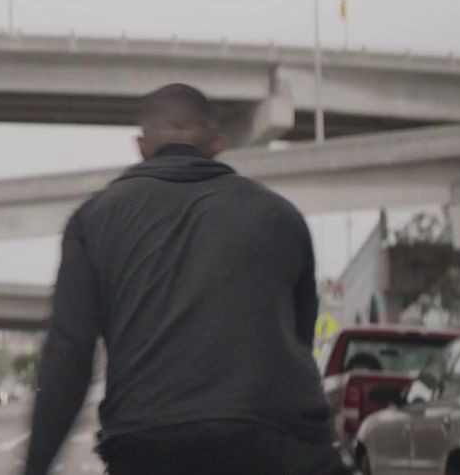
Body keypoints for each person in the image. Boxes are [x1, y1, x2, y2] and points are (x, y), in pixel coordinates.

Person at [23, 84, 351, 475]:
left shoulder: (92, 221)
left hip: (147, 444)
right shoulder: (280, 216)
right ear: (216, 144)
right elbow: (299, 341)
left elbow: (68, 356)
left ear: (143, 147)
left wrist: (34, 467)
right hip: (276, 444)